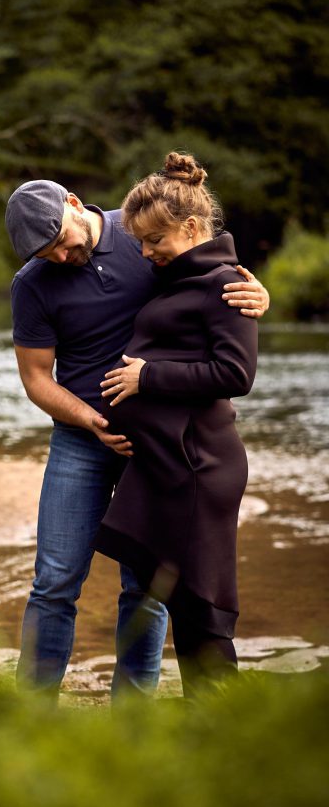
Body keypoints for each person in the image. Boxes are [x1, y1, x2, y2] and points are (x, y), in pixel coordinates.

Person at [5, 175, 268, 700]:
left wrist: (258, 293)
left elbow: (208, 279)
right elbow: (36, 379)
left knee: (146, 584)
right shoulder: (32, 284)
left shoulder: (142, 233)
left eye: (61, 242)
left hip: (158, 445)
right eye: (44, 253)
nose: (59, 257)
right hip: (81, 442)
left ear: (74, 204)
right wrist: (91, 421)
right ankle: (29, 710)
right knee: (55, 580)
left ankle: (133, 714)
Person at [94, 152, 258, 697]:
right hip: (168, 464)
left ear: (190, 228)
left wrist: (148, 377)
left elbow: (236, 374)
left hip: (198, 465)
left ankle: (223, 721)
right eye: (140, 242)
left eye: (155, 240)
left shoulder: (224, 284)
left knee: (201, 603)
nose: (146, 252)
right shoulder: (177, 276)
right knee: (179, 594)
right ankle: (205, 721)